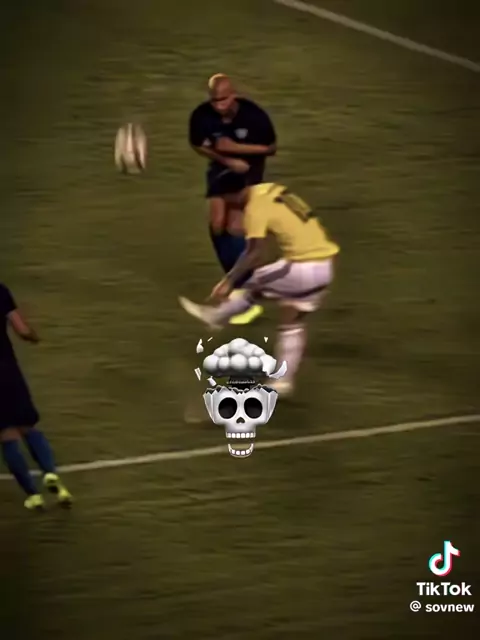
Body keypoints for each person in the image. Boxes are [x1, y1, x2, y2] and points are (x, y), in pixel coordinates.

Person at [179, 183, 340, 396]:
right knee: (292, 321)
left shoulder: (255, 207)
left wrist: (228, 282)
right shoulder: (272, 189)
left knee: (254, 283)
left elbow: (254, 253)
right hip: (325, 266)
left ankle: (216, 316)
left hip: (302, 267)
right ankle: (283, 382)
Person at [188, 73, 277, 325]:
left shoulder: (254, 116)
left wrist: (237, 150)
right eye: (215, 101)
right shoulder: (202, 115)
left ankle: (244, 289)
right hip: (221, 169)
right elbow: (197, 144)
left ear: (234, 94)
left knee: (234, 226)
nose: (219, 105)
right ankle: (240, 284)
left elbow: (271, 148)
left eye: (224, 100)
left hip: (249, 172)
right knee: (217, 224)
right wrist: (225, 158)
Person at [0, 283, 72, 510]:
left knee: (6, 435)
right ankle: (50, 473)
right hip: (8, 370)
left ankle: (33, 495)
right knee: (27, 426)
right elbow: (22, 330)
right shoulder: (0, 291)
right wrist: (34, 337)